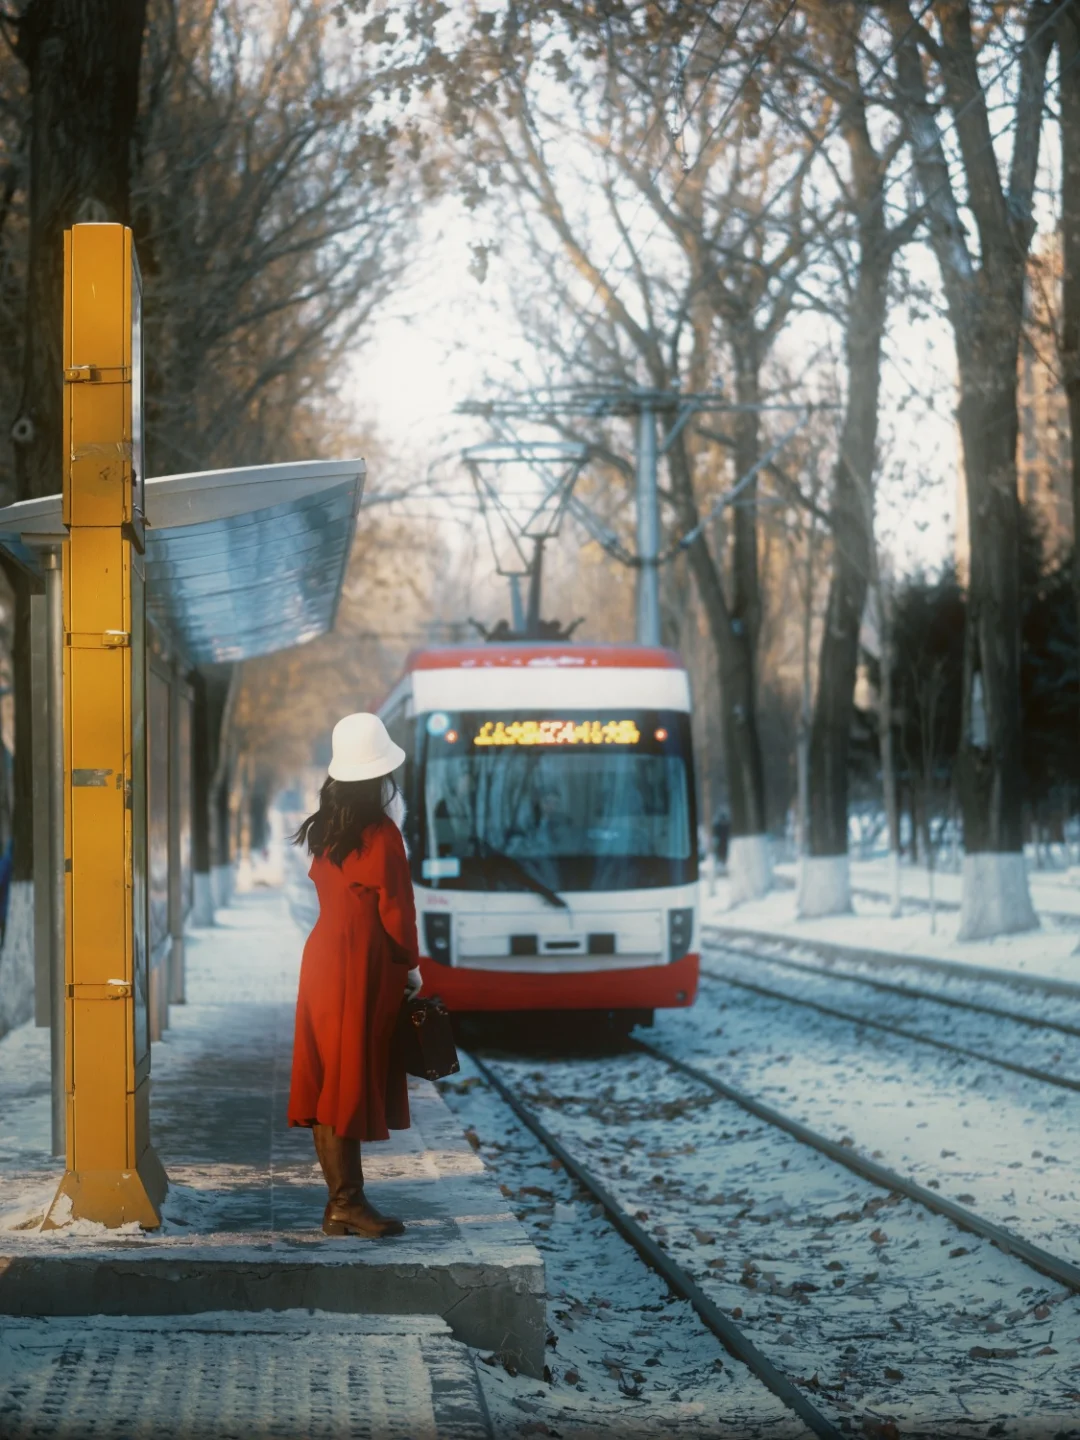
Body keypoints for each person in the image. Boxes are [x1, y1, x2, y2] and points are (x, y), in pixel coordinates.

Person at [288, 712, 422, 1238]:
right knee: (345, 1078)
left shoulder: (325, 828)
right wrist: (411, 967)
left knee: (328, 1079)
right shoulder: (383, 834)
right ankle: (347, 1203)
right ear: (379, 775)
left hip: (322, 960)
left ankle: (342, 1204)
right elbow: (397, 910)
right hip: (360, 965)